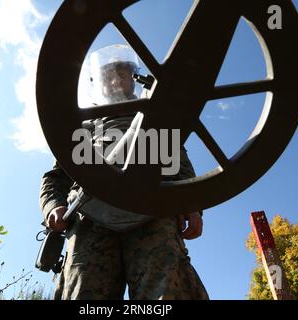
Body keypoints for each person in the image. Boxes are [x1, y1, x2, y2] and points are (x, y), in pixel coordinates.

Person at [39, 44, 209, 300]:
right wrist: (53, 206)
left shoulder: (156, 123)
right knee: (84, 293)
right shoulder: (84, 128)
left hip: (153, 211)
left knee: (166, 292)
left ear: (133, 80)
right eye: (110, 74)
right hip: (89, 216)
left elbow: (180, 165)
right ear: (100, 82)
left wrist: (193, 206)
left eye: (122, 73)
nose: (116, 79)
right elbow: (56, 177)